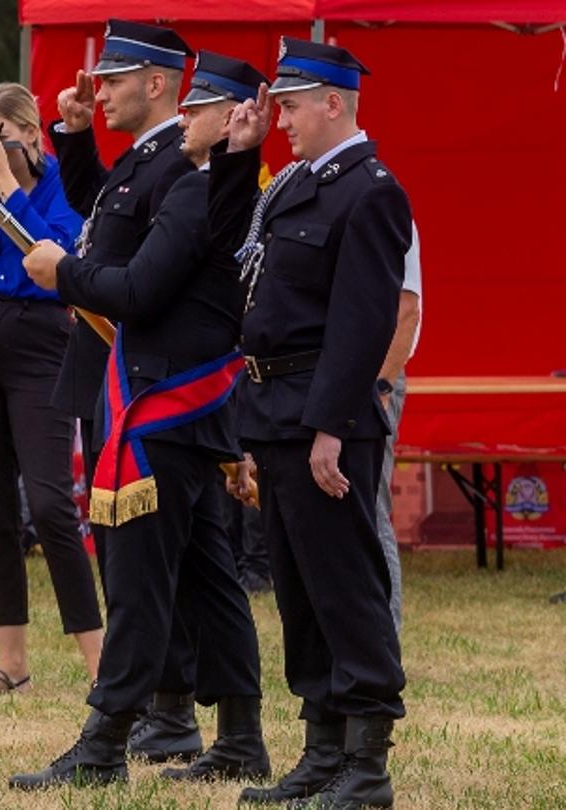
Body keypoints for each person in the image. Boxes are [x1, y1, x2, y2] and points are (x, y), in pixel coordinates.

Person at [9, 50, 271, 790]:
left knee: (139, 585)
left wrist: (62, 272)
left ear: (232, 118)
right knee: (207, 580)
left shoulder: (196, 190)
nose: (185, 118)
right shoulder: (213, 190)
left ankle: (103, 748)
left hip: (163, 406)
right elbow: (117, 228)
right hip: (180, 407)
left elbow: (139, 290)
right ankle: (241, 737)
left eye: (200, 108)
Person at [220, 38, 412, 808]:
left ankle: (367, 766)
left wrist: (331, 425)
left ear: (334, 103)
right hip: (275, 410)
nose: (282, 120)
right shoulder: (297, 183)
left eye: (292, 106)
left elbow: (363, 323)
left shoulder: (370, 191)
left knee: (344, 587)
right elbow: (245, 273)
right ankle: (322, 750)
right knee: (300, 593)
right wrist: (238, 159)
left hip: (325, 419)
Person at [49, 18, 205, 759]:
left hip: (141, 381)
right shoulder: (143, 158)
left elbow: (133, 275)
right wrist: (77, 136)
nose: (100, 90)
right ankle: (159, 709)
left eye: (113, 80)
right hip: (107, 371)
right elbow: (101, 220)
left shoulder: (178, 162)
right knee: (121, 554)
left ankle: (158, 710)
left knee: (141, 559)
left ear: (157, 83)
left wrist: (62, 274)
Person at [0, 82, 100, 696]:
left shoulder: (65, 184)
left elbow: (56, 258)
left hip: (40, 341)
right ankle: (12, 663)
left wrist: (7, 188)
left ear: (32, 134)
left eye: (0, 138)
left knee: (52, 505)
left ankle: (102, 667)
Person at [375, 223, 421, 632]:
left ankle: (385, 639)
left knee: (372, 509)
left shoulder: (388, 209)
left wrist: (383, 385)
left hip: (376, 374)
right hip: (339, 373)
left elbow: (408, 311)